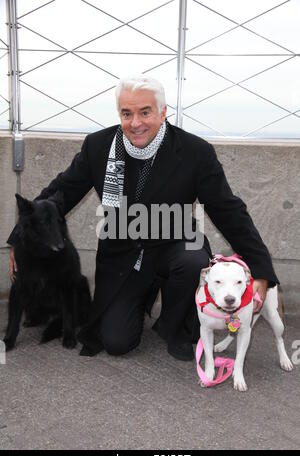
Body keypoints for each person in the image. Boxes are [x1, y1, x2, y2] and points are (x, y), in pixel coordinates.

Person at [8, 75, 278, 361]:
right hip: (123, 254)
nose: (135, 122)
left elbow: (229, 210)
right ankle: (136, 302)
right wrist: (19, 238)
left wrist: (261, 269)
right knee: (116, 342)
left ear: (162, 112)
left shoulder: (195, 152)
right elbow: (60, 191)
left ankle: (173, 328)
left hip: (175, 243)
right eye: (127, 113)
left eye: (145, 112)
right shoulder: (98, 147)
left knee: (193, 260)